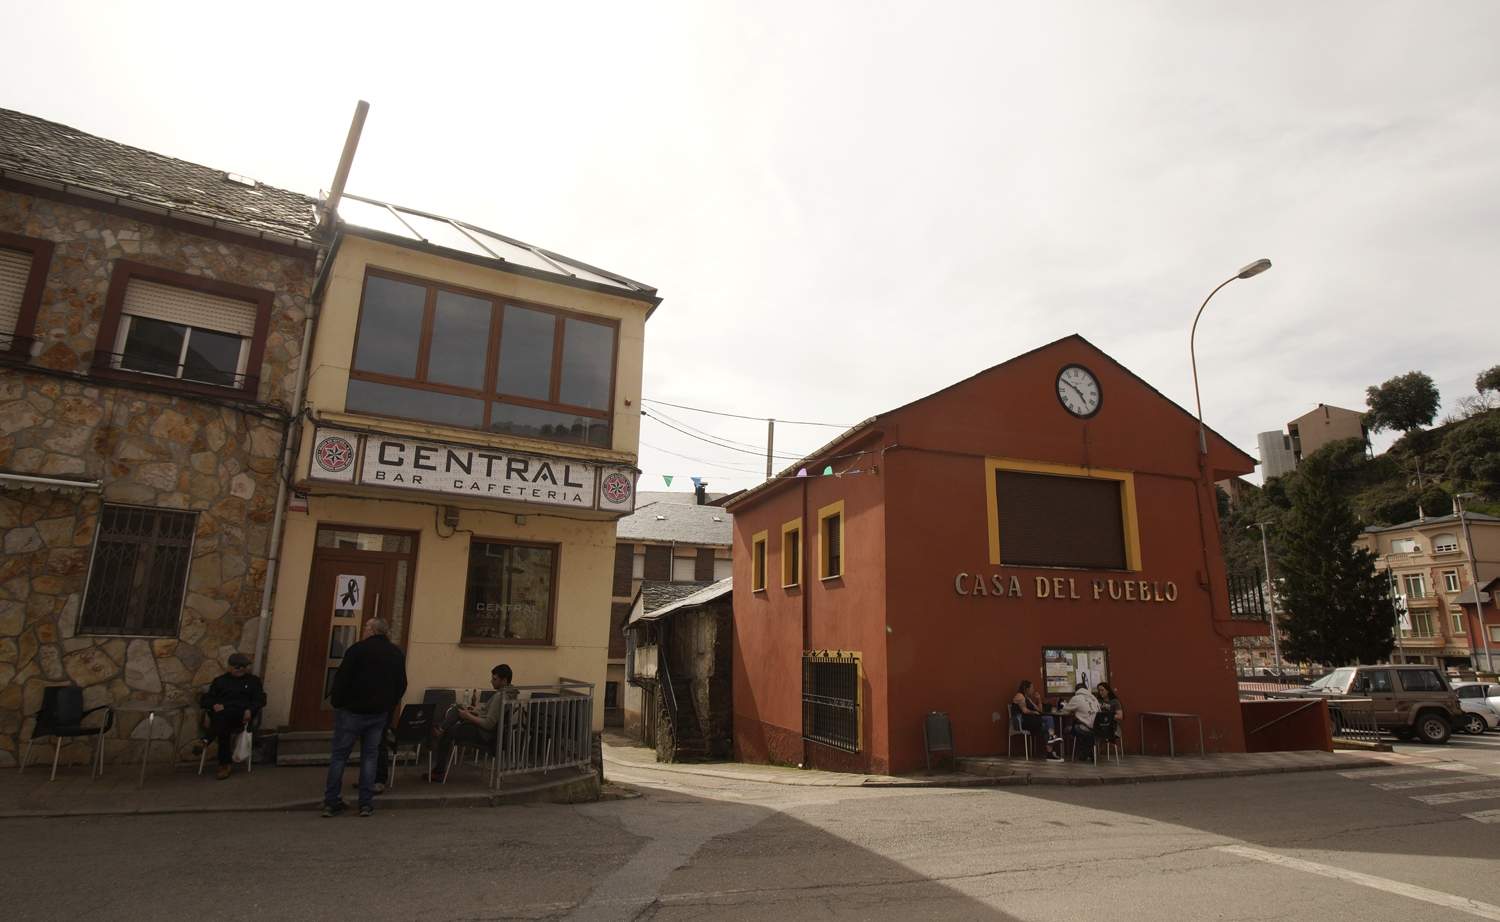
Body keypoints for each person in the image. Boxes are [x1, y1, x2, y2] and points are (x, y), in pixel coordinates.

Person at [323, 618, 407, 818]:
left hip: (352, 711)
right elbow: (401, 683)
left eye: (366, 627)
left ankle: (331, 802)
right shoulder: (395, 653)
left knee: (339, 756)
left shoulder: (357, 650)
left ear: (372, 630)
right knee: (370, 756)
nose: (364, 630)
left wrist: (338, 702)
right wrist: (389, 704)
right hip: (378, 713)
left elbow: (342, 678)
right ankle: (366, 804)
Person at [427, 664, 517, 782]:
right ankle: (441, 729)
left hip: (484, 734)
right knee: (458, 708)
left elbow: (488, 724)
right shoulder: (510, 694)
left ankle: (438, 770)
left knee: (449, 730)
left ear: (504, 680)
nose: (491, 681)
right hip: (487, 732)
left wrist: (468, 716)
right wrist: (473, 711)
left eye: (495, 679)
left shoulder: (500, 696)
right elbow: (488, 713)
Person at [202, 652, 266, 780]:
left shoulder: (253, 681)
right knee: (223, 723)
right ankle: (224, 764)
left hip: (242, 717)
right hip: (222, 717)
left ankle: (207, 741)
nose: (241, 669)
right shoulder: (220, 681)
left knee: (223, 719)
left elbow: (260, 700)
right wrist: (214, 705)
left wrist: (250, 709)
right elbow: (206, 700)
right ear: (230, 667)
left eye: (244, 666)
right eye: (237, 667)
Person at [1012, 680, 1063, 761]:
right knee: (1049, 719)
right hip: (1023, 722)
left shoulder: (1028, 698)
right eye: (1032, 688)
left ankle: (1050, 752)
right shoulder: (1020, 696)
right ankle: (1052, 739)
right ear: (1026, 689)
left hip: (1032, 720)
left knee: (1046, 726)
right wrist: (1034, 712)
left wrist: (1039, 699)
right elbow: (1024, 711)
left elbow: (1040, 710)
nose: (1033, 690)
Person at [1060, 682, 1100, 762]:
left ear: (1076, 690)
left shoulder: (1076, 698)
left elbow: (1065, 711)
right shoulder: (1094, 698)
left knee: (1072, 729)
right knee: (1081, 729)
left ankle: (1085, 752)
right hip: (1099, 728)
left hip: (1087, 728)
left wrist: (1065, 706)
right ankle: (1088, 751)